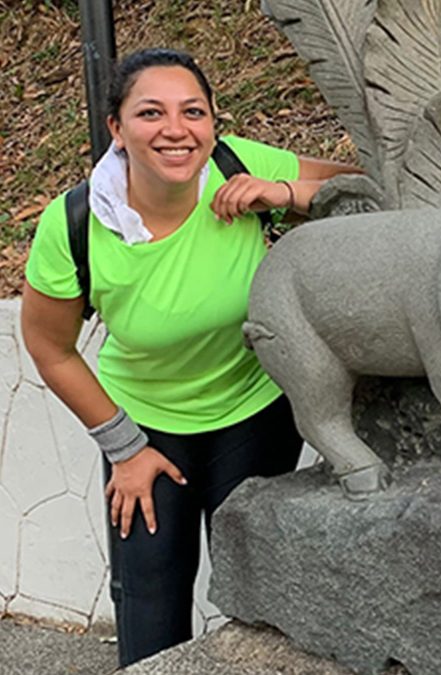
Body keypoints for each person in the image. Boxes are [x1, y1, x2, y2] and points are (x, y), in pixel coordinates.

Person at [20, 47, 361, 666]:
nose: (176, 130)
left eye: (193, 112)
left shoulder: (238, 164)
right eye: (151, 113)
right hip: (145, 424)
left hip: (256, 411)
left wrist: (283, 191)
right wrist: (123, 448)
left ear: (212, 124)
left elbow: (361, 186)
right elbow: (49, 346)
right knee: (151, 605)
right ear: (116, 129)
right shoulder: (74, 223)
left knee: (263, 596)